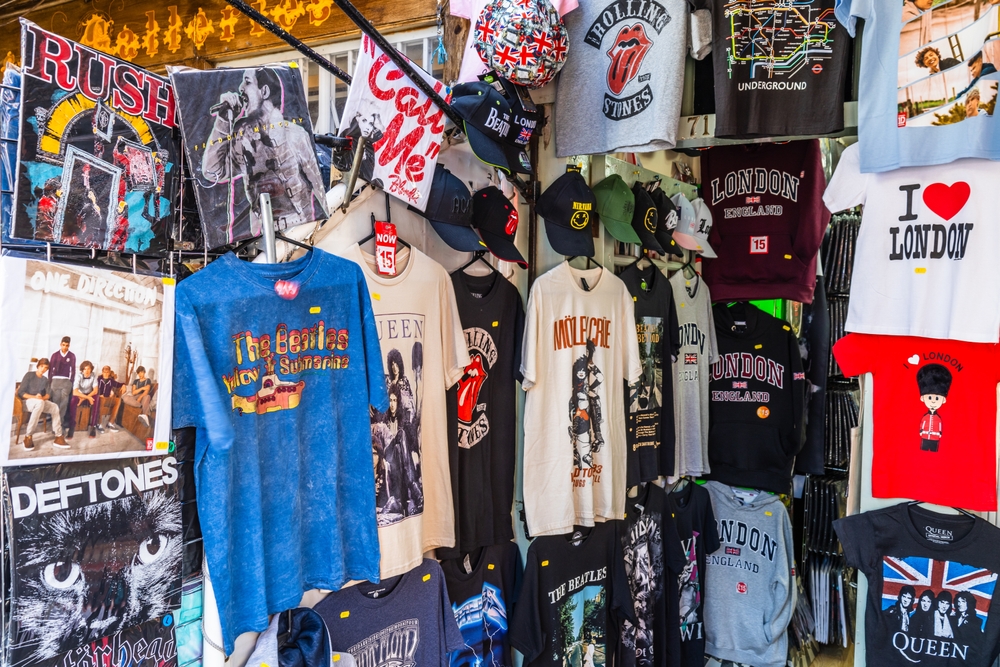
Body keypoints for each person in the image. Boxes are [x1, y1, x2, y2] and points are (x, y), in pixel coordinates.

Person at [202, 67, 327, 238]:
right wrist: (223, 121)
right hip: (260, 236)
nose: (240, 89)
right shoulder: (243, 140)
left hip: (299, 232)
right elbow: (212, 171)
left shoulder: (296, 135)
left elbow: (318, 187)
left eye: (247, 82)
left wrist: (323, 232)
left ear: (264, 90)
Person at [17, 358, 68, 450]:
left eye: (46, 368)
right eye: (42, 366)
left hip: (39, 402)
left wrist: (41, 397)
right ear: (38, 366)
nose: (43, 369)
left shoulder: (45, 380)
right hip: (26, 402)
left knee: (54, 406)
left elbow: (48, 395)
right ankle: (28, 436)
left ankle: (58, 436)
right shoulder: (29, 375)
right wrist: (35, 397)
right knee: (40, 403)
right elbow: (21, 393)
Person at [917, 363, 951, 451]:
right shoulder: (925, 417)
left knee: (933, 447)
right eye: (929, 397)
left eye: (937, 398)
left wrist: (939, 433)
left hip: (935, 437)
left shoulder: (938, 418)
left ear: (943, 400)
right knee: (924, 447)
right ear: (922, 398)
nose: (933, 401)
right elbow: (923, 423)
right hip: (925, 435)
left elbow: (939, 425)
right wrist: (921, 431)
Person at [48, 336, 75, 437]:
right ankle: (55, 426)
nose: (64, 347)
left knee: (63, 405)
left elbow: (73, 370)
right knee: (55, 405)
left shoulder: (72, 356)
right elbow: (50, 370)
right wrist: (51, 381)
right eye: (63, 345)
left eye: (67, 345)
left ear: (69, 345)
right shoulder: (55, 355)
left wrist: (70, 381)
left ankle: (61, 426)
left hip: (66, 382)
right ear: (60, 344)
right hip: (55, 380)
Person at [70, 361, 100, 438]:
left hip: (89, 394)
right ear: (82, 370)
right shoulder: (78, 376)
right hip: (80, 394)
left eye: (88, 369)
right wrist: (85, 397)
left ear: (91, 369)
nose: (87, 371)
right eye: (85, 369)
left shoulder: (93, 376)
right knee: (73, 400)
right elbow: (75, 391)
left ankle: (93, 426)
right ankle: (72, 426)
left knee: (97, 399)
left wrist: (85, 398)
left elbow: (95, 390)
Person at [96, 365, 122, 431]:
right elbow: (95, 389)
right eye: (104, 372)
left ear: (109, 372)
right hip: (99, 398)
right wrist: (99, 395)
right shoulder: (98, 379)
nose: (106, 374)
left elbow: (119, 384)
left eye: (107, 372)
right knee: (102, 399)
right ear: (102, 372)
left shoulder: (111, 380)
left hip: (107, 399)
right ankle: (99, 423)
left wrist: (124, 385)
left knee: (118, 400)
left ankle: (110, 423)